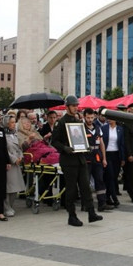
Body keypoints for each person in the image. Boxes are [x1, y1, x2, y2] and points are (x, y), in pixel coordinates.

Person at [50, 95, 103, 227]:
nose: (76, 108)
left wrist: (86, 147)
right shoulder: (61, 122)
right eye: (73, 105)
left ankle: (91, 213)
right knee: (71, 189)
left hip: (80, 158)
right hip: (69, 160)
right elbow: (54, 141)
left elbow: (82, 137)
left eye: (76, 106)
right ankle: (72, 216)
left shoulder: (78, 121)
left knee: (86, 187)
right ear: (67, 106)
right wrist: (65, 148)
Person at [83, 108, 112, 212]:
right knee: (86, 182)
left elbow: (102, 144)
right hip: (86, 158)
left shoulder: (98, 128)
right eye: (88, 117)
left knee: (100, 180)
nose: (90, 120)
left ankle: (102, 203)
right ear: (84, 117)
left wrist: (104, 158)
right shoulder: (81, 128)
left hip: (97, 158)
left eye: (91, 117)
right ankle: (86, 204)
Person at [3, 113, 25, 217]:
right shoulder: (3, 135)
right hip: (9, 164)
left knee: (15, 187)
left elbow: (19, 148)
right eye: (11, 122)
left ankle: (10, 206)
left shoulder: (15, 134)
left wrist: (20, 157)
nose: (13, 124)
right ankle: (6, 207)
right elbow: (5, 150)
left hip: (17, 164)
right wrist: (13, 159)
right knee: (9, 187)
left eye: (14, 122)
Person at [101, 115, 126, 207]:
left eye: (112, 118)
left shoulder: (120, 129)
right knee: (110, 176)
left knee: (113, 177)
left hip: (117, 155)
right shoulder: (103, 128)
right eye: (109, 118)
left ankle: (107, 196)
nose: (110, 120)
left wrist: (123, 158)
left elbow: (122, 144)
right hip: (107, 154)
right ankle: (114, 197)